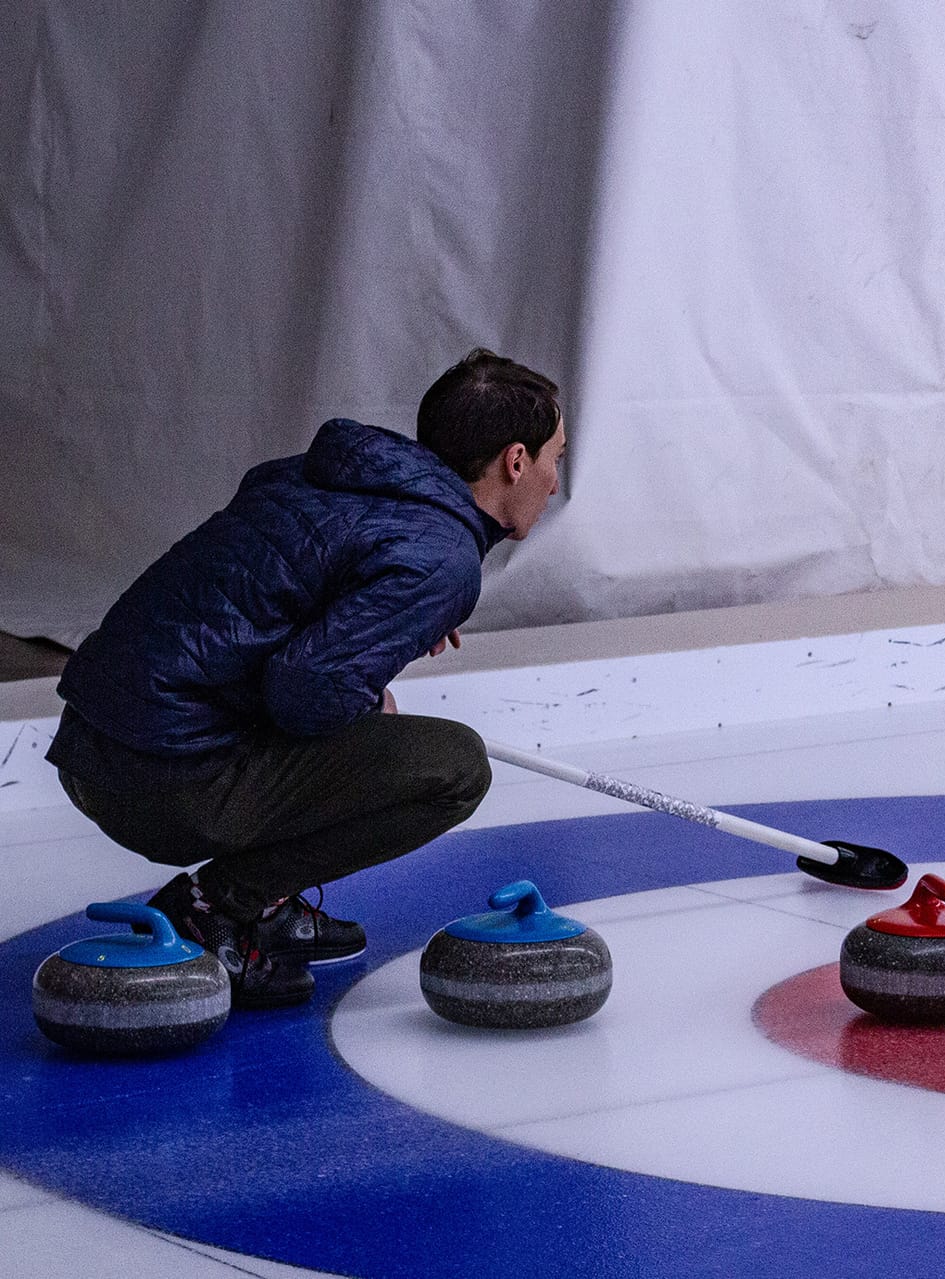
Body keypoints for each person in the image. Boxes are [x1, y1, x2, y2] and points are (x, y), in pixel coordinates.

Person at [45, 349, 566, 1008]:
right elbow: (305, 691)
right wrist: (372, 685)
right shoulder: (441, 556)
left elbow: (272, 606)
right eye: (555, 459)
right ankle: (223, 904)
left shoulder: (331, 478)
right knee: (454, 767)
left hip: (93, 749)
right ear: (515, 461)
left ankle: (256, 907)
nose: (553, 482)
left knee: (367, 720)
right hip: (161, 781)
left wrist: (381, 635)